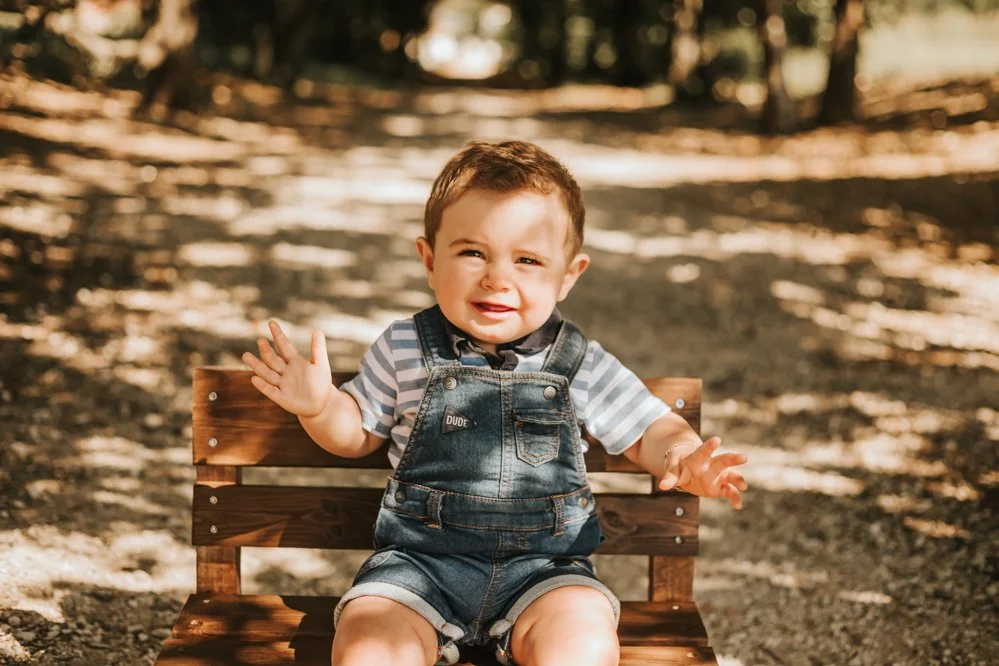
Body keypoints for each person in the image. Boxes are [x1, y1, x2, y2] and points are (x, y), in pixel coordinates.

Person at [241, 140, 749, 666]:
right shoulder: (404, 347)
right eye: (472, 252)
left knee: (582, 644)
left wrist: (685, 457)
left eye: (527, 259)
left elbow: (650, 430)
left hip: (547, 574)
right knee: (368, 648)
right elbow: (356, 435)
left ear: (569, 275)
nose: (496, 277)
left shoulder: (581, 363)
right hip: (418, 568)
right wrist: (320, 406)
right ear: (429, 259)